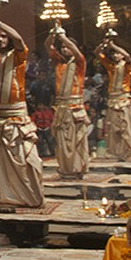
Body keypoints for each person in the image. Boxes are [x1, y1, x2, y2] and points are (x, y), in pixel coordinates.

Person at [0, 4, 44, 209]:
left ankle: (31, 196)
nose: (0, 39)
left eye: (4, 36)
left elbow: (20, 40)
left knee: (26, 159)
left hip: (17, 116)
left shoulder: (18, 56)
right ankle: (8, 196)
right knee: (2, 163)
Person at [48, 26, 90, 179]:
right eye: (63, 48)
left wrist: (63, 36)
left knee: (76, 141)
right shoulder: (58, 63)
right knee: (62, 142)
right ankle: (65, 169)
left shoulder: (79, 63)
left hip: (75, 108)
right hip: (61, 108)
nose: (65, 50)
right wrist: (53, 34)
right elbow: (48, 46)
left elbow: (77, 52)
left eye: (67, 47)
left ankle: (78, 169)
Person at [97, 38, 131, 161]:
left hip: (123, 98)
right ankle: (116, 151)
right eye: (114, 53)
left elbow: (128, 56)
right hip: (112, 99)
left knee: (125, 126)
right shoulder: (111, 66)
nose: (115, 55)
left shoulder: (127, 65)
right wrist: (103, 44)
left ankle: (127, 151)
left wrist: (113, 45)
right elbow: (97, 53)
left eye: (118, 53)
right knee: (113, 127)